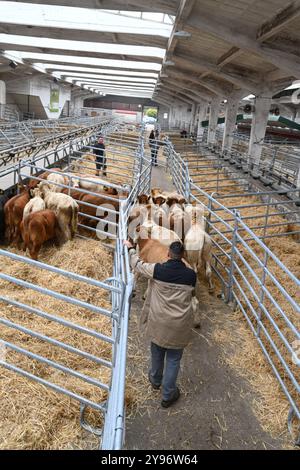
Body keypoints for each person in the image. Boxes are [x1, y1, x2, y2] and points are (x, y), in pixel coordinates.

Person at [123, 240, 197, 408]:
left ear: (168, 255)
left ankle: (155, 380)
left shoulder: (158, 270)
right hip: (179, 325)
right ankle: (168, 394)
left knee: (156, 351)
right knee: (173, 359)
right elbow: (192, 292)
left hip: (158, 321)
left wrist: (130, 248)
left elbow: (136, 263)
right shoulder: (191, 275)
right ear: (183, 256)